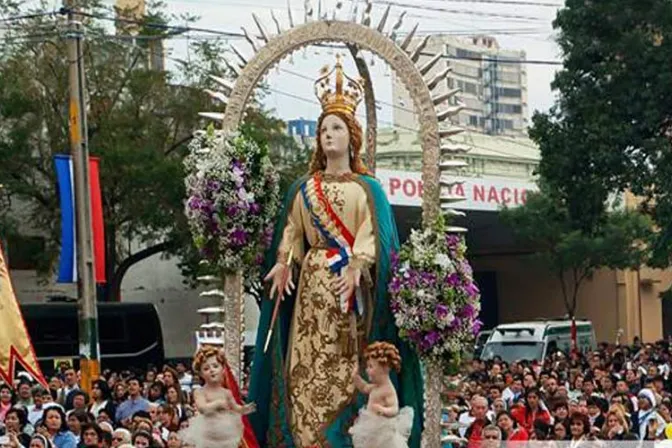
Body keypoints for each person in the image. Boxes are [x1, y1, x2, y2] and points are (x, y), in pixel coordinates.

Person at [248, 55, 423, 448]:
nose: (329, 135)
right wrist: (283, 262)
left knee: (348, 365)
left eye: (337, 128)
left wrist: (358, 264)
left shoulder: (367, 189)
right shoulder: (303, 188)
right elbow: (293, 231)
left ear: (352, 136)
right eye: (324, 128)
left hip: (349, 293)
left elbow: (373, 236)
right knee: (305, 367)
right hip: (311, 286)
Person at [179, 346, 257, 448]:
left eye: (215, 366)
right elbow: (203, 408)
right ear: (201, 373)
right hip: (208, 433)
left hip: (226, 432)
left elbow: (235, 408)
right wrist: (218, 404)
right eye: (206, 368)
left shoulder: (226, 393)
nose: (212, 370)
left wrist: (245, 409)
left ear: (222, 369)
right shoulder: (200, 392)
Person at [349, 342, 414, 448]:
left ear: (384, 368)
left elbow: (394, 409)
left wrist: (383, 410)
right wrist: (355, 377)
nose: (367, 370)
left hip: (383, 431)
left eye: (371, 366)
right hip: (370, 427)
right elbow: (364, 387)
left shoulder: (388, 390)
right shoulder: (375, 387)